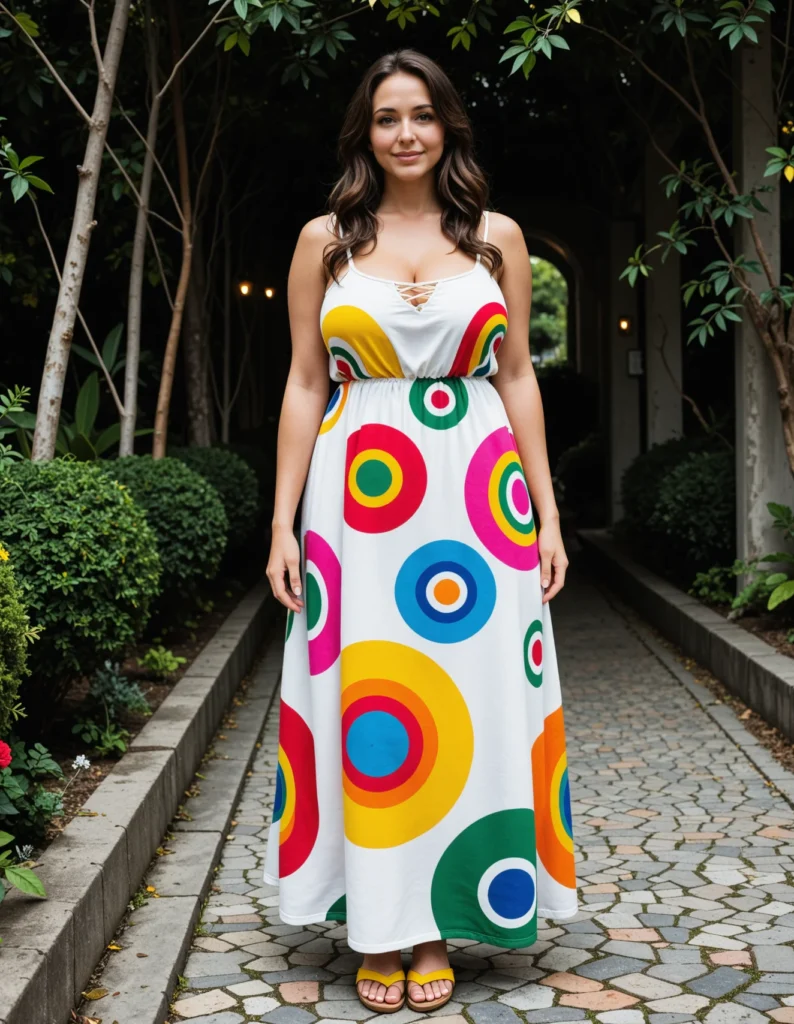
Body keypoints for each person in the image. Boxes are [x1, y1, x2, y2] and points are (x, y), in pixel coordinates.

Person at [264, 48, 578, 1016]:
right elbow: (306, 382)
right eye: (387, 117)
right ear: (366, 132)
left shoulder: (497, 238)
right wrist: (280, 520)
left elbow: (517, 373)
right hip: (358, 500)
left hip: (477, 501)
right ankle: (381, 922)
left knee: (468, 702)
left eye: (422, 115)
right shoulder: (325, 239)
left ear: (448, 127)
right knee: (373, 703)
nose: (405, 133)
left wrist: (548, 510)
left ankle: (437, 917)